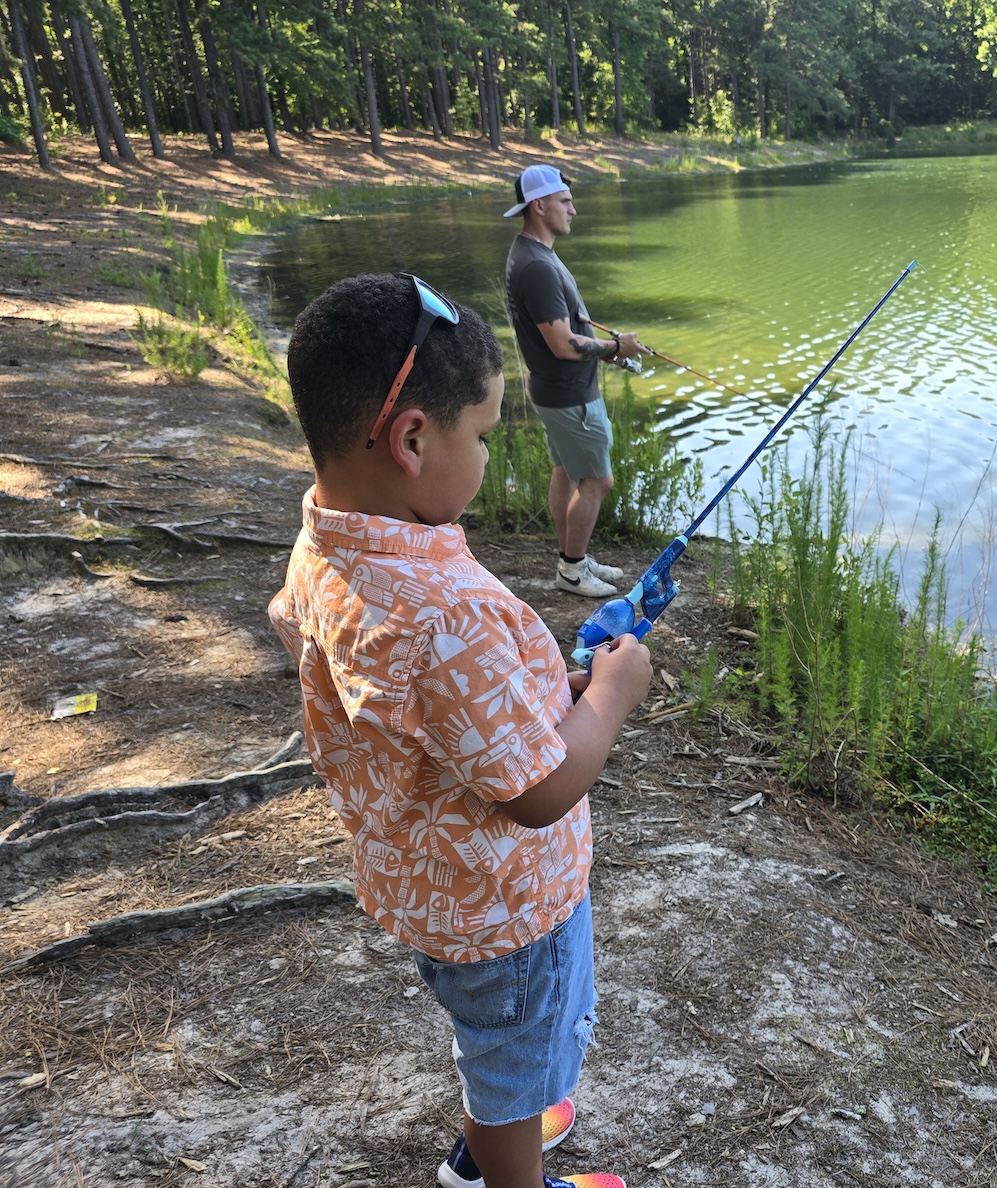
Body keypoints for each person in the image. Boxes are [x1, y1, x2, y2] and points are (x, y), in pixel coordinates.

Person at [268, 272, 651, 1188]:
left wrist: (532, 689)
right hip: (507, 906)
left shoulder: (325, 543)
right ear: (410, 439)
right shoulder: (445, 611)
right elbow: (539, 790)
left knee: (494, 1032)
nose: (485, 456)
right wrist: (610, 698)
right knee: (514, 1044)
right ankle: (505, 1167)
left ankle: (503, 1122)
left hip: (429, 886)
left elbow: (412, 706)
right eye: (480, 435)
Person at [504, 164, 642, 599]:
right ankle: (571, 570)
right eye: (565, 201)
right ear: (539, 205)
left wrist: (607, 347)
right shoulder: (536, 267)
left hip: (555, 390)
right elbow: (563, 345)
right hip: (569, 395)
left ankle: (573, 557)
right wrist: (617, 348)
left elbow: (566, 328)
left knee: (566, 471)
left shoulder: (535, 253)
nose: (573, 210)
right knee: (597, 482)